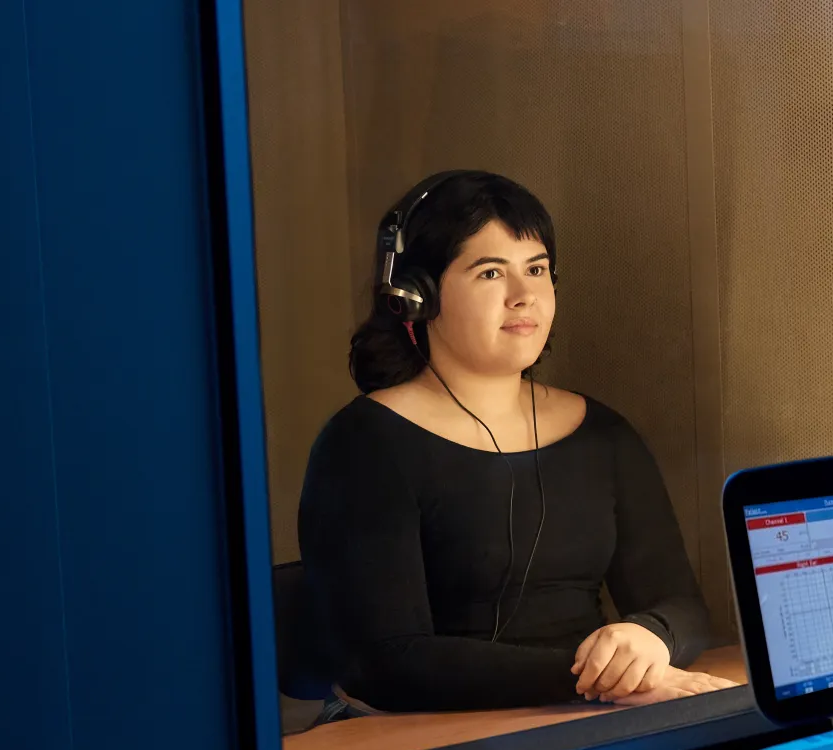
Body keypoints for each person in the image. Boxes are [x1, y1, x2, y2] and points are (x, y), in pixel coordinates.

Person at [297, 170, 739, 712]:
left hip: (596, 711)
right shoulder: (364, 445)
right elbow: (386, 662)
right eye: (490, 273)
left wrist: (650, 636)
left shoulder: (601, 432)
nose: (524, 295)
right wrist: (598, 680)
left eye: (537, 270)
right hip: (429, 737)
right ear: (417, 297)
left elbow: (679, 604)